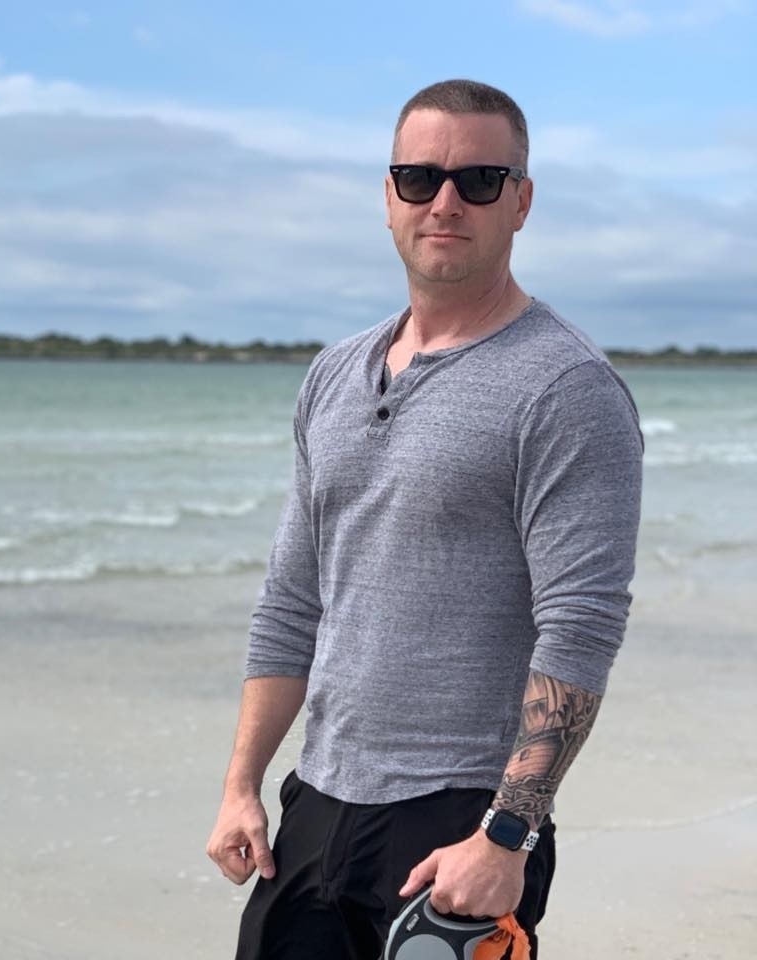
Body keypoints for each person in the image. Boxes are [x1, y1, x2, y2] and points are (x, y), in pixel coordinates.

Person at [206, 78, 643, 959]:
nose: (445, 203)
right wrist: (241, 785)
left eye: (479, 181)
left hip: (462, 823)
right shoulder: (334, 373)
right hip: (316, 806)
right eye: (419, 178)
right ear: (389, 197)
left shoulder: (567, 389)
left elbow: (581, 625)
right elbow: (293, 600)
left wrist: (507, 836)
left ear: (521, 202)